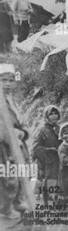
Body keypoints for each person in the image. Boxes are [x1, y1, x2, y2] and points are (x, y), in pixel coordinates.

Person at [0, 64, 30, 219]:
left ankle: (18, 201)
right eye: (3, 80)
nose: (7, 84)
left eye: (10, 80)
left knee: (21, 171)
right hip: (3, 145)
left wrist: (22, 132)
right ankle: (5, 208)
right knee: (7, 176)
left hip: (17, 142)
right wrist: (11, 135)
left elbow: (21, 119)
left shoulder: (11, 99)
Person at [32, 105, 61, 205]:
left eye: (55, 113)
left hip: (57, 159)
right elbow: (35, 147)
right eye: (51, 114)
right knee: (44, 178)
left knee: (56, 178)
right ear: (46, 116)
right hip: (45, 160)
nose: (53, 116)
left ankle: (54, 198)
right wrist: (48, 150)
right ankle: (44, 200)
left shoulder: (59, 128)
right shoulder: (41, 130)